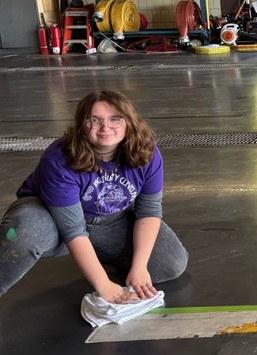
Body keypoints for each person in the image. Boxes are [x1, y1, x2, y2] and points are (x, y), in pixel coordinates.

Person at [0, 90, 188, 305]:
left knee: (170, 264)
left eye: (115, 119)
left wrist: (139, 266)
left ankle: (100, 255)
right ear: (82, 125)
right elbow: (72, 229)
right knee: (26, 232)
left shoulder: (146, 151)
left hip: (110, 219)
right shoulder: (59, 158)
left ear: (129, 122)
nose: (105, 127)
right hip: (50, 216)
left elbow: (149, 211)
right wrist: (104, 285)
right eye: (94, 120)